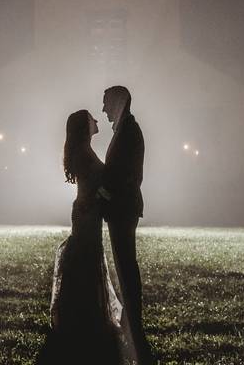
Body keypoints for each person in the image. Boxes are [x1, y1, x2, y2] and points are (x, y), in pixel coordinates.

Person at [36, 110, 128, 365]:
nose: (97, 121)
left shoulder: (85, 150)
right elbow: (95, 186)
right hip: (87, 213)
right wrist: (109, 197)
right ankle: (82, 317)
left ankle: (84, 315)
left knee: (88, 258)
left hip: (89, 212)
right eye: (92, 120)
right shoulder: (84, 153)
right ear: (84, 127)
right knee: (85, 258)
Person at [99, 86, 155, 364]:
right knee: (124, 265)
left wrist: (102, 193)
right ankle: (129, 319)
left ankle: (132, 320)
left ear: (119, 103)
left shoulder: (129, 132)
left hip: (123, 208)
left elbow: (125, 175)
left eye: (107, 102)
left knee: (126, 265)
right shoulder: (125, 130)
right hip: (122, 207)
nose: (104, 109)